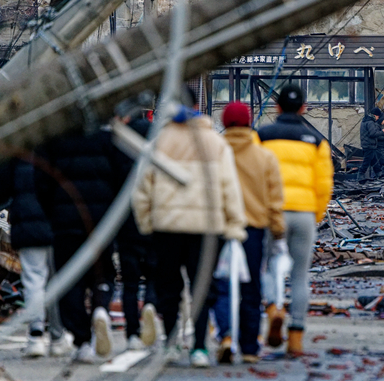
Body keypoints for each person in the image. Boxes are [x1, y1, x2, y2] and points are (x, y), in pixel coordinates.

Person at [131, 98, 247, 368]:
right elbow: (230, 187)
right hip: (207, 229)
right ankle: (199, 348)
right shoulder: (215, 142)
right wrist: (234, 226)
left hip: (167, 228)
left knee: (169, 288)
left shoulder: (158, 142)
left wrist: (147, 224)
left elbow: (141, 191)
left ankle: (171, 343)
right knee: (202, 289)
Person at [257, 85, 333, 356]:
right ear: (304, 107)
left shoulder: (262, 136)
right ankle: (296, 338)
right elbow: (324, 186)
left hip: (270, 213)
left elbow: (254, 176)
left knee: (266, 268)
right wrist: (315, 215)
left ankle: (273, 309)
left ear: (277, 107)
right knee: (300, 275)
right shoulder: (315, 140)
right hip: (303, 214)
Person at [35, 128, 119, 363]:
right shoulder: (106, 138)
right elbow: (120, 176)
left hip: (66, 223)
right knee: (103, 274)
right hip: (101, 222)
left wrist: (52, 213)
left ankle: (82, 341)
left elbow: (41, 179)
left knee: (69, 281)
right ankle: (101, 308)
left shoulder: (54, 138)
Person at [212, 102, 285, 364]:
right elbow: (275, 198)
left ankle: (226, 335)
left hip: (218, 228)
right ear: (248, 122)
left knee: (221, 285)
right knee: (251, 286)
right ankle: (250, 347)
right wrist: (277, 229)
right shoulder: (264, 156)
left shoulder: (214, 152)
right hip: (253, 229)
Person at [0, 156, 74, 358]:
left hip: (26, 224)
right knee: (56, 280)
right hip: (55, 222)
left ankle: (35, 335)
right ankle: (58, 336)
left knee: (33, 279)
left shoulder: (14, 155)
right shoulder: (54, 149)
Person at [112, 97, 158, 350]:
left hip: (126, 218)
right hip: (153, 216)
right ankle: (151, 303)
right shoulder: (158, 141)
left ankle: (132, 335)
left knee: (129, 282)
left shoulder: (118, 143)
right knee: (153, 273)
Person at [357, 107, 384, 180]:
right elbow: (372, 134)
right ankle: (360, 175)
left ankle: (379, 174)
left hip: (368, 144)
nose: (378, 118)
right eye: (378, 116)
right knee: (366, 161)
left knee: (375, 161)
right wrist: (382, 132)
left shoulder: (365, 121)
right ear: (375, 115)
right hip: (369, 145)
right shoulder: (370, 122)